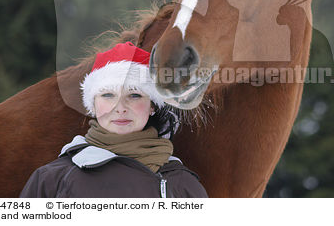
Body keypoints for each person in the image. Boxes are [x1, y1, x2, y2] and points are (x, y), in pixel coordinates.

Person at [20, 42, 207, 198]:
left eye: (134, 95)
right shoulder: (52, 180)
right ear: (92, 106)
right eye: (108, 95)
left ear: (152, 106)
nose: (120, 108)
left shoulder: (183, 184)